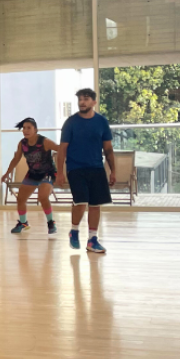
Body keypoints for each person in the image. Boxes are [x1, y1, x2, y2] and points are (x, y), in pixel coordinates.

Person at [56, 89, 115, 254]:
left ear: (94, 102)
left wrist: (113, 171)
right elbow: (62, 150)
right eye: (80, 99)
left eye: (86, 99)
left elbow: (108, 149)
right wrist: (60, 172)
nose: (82, 102)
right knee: (81, 202)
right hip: (76, 168)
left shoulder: (102, 122)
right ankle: (74, 230)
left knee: (95, 205)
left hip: (96, 168)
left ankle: (92, 239)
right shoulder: (71, 122)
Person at [0, 118, 59, 235]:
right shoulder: (22, 144)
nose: (25, 130)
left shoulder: (44, 141)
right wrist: (6, 173)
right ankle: (23, 223)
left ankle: (51, 222)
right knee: (21, 198)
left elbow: (60, 149)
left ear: (35, 130)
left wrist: (61, 162)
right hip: (33, 173)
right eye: (24, 128)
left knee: (42, 197)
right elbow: (16, 159)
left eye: (29, 128)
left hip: (47, 173)